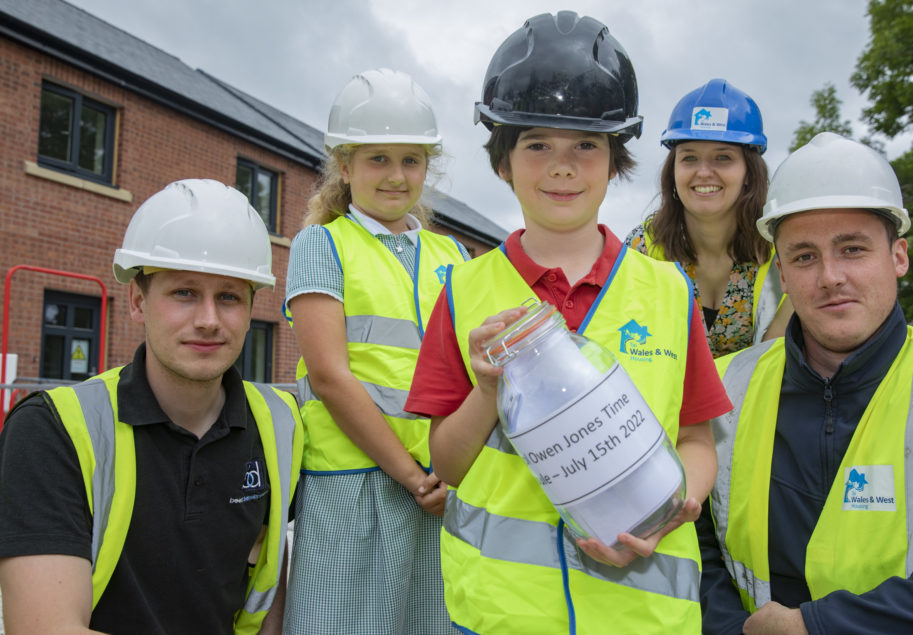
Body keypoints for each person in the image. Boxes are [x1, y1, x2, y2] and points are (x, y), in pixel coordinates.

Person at [405, 12, 730, 634]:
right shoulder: (464, 290)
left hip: (644, 617)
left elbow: (696, 438)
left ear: (616, 163)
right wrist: (487, 391)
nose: (562, 165)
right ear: (502, 162)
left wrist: (671, 508)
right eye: (537, 145)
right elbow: (446, 466)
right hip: (503, 615)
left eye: (586, 144)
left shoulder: (666, 290)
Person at [698, 132, 913, 633]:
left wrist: (818, 627)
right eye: (804, 257)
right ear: (781, 273)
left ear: (899, 257)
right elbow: (695, 554)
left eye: (852, 249)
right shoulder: (722, 390)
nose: (830, 276)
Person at [0, 179, 303, 634]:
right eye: (184, 293)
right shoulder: (52, 430)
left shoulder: (279, 424)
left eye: (228, 297)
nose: (208, 320)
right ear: (138, 301)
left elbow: (268, 585)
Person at [282, 68, 467, 634]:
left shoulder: (454, 254)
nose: (396, 175)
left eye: (410, 160)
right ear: (344, 166)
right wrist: (413, 478)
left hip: (442, 487)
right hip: (355, 481)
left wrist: (444, 478)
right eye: (377, 159)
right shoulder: (323, 243)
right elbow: (332, 377)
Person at [625, 79, 792, 357]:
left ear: (749, 173)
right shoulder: (641, 248)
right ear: (673, 171)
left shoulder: (783, 249)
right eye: (689, 158)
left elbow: (777, 359)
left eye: (723, 158)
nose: (703, 172)